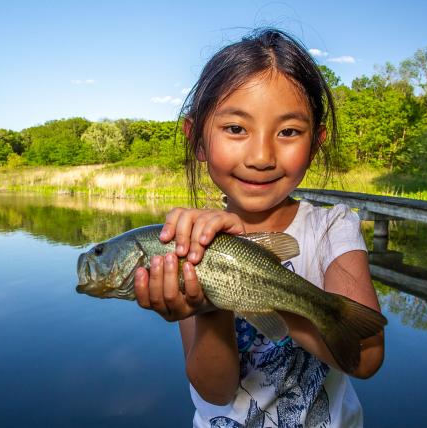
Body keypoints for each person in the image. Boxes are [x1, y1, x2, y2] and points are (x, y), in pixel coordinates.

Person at [134, 28, 384, 427]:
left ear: (315, 142)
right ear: (196, 138)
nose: (262, 156)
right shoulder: (188, 242)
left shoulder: (333, 228)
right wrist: (212, 306)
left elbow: (367, 358)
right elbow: (215, 392)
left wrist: (259, 291)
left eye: (288, 132)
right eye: (236, 128)